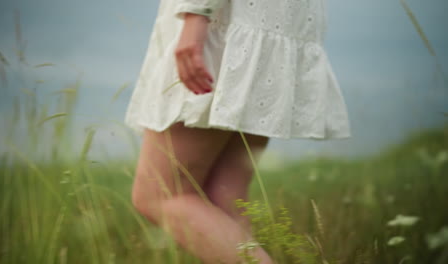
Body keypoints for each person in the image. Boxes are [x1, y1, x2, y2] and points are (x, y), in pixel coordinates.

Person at [124, 0, 352, 263]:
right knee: (224, 198)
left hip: (227, 21)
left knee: (160, 195)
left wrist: (197, 12)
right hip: (269, 24)